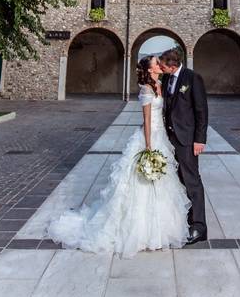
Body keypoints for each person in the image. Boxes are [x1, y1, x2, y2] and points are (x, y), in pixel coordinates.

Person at [46, 55, 191, 258]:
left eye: (160, 63)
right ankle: (140, 233)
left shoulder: (161, 83)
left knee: (163, 183)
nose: (160, 65)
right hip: (150, 137)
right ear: (150, 70)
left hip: (163, 136)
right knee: (141, 184)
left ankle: (161, 230)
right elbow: (147, 119)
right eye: (156, 63)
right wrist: (148, 146)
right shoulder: (146, 90)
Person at [159, 46, 208, 244]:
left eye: (163, 66)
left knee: (192, 180)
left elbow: (201, 111)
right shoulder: (166, 78)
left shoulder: (192, 78)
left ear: (172, 66)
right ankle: (185, 219)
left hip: (187, 139)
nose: (161, 69)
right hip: (169, 138)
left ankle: (199, 227)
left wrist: (199, 139)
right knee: (178, 180)